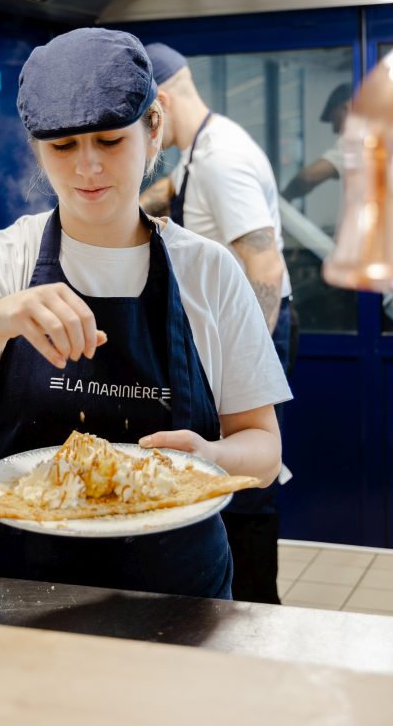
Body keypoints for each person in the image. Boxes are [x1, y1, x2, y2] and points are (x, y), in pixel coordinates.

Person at [0, 27, 291, 600]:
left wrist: (212, 458)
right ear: (38, 150)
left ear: (153, 129)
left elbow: (263, 449)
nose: (87, 167)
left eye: (109, 141)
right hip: (19, 599)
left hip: (179, 597)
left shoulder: (209, 272)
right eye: (63, 147)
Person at [140, 42, 293, 604]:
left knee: (244, 484)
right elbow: (173, 191)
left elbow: (264, 263)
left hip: (256, 323)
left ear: (159, 103)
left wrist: (245, 369)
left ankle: (257, 616)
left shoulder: (221, 159)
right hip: (234, 331)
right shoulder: (199, 151)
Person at [282, 83, 351, 201]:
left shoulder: (357, 141)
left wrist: (283, 198)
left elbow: (308, 178)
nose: (335, 131)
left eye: (335, 121)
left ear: (345, 109)